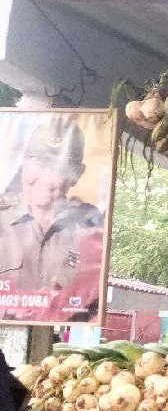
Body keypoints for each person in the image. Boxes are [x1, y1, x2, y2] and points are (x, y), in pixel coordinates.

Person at [0, 118, 103, 321]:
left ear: (77, 175)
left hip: (61, 338)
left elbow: (90, 308)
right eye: (38, 163)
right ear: (24, 164)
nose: (46, 178)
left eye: (59, 168)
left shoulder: (93, 229)